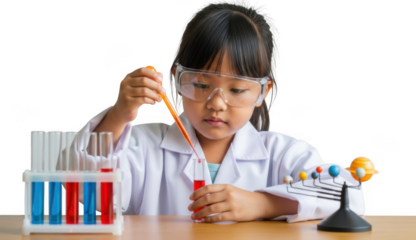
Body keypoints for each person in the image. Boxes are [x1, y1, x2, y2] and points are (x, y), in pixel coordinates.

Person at [60, 0, 366, 224]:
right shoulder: (141, 147)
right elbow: (84, 200)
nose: (216, 103)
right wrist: (120, 113)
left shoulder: (283, 154)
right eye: (201, 85)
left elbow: (350, 198)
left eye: (236, 90)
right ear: (176, 80)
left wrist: (262, 204)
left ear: (263, 92)